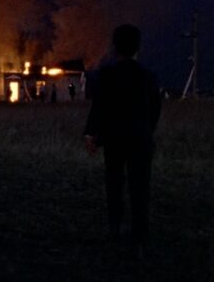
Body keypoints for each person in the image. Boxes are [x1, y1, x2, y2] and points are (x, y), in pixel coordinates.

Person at [83, 24, 161, 257]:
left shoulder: (106, 75)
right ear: (138, 47)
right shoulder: (148, 77)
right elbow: (155, 110)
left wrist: (92, 134)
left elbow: (99, 108)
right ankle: (140, 236)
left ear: (115, 46)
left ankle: (114, 231)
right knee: (140, 188)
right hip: (141, 141)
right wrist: (146, 132)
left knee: (114, 185)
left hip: (114, 140)